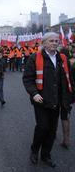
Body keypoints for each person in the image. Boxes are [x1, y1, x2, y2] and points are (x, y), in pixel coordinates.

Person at [23, 32, 73, 168]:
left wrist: (69, 99)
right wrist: (34, 93)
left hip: (57, 101)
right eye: (51, 41)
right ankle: (34, 150)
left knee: (52, 130)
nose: (55, 43)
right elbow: (27, 79)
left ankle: (46, 155)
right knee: (42, 127)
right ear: (44, 43)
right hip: (41, 101)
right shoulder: (35, 58)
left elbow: (69, 79)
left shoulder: (63, 58)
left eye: (56, 41)